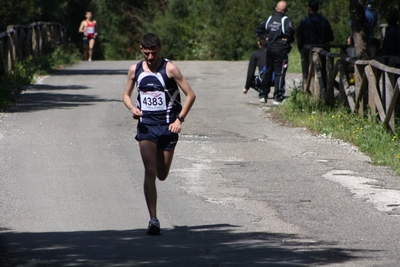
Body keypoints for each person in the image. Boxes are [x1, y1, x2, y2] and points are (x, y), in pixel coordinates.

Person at [122, 33, 196, 235]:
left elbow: (191, 95)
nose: (150, 57)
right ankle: (153, 219)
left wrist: (179, 119)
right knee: (150, 170)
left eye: (153, 53)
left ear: (160, 49)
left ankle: (153, 214)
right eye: (146, 53)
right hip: (146, 127)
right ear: (141, 50)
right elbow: (126, 95)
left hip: (167, 128)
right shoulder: (135, 70)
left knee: (162, 175)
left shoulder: (169, 68)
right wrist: (132, 108)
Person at [255, 1, 295, 104]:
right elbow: (290, 33)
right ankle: (278, 96)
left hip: (269, 48)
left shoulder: (269, 19)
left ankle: (263, 94)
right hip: (280, 50)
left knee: (268, 70)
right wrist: (287, 39)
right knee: (280, 72)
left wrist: (265, 38)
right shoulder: (285, 20)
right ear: (286, 10)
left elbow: (258, 30)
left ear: (275, 8)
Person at [296, 1, 334, 87]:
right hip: (322, 50)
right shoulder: (324, 21)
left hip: (308, 50)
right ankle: (323, 90)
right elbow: (331, 37)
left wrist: (301, 48)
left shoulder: (305, 21)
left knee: (308, 71)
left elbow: (299, 37)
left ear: (309, 9)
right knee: (321, 70)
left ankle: (308, 89)